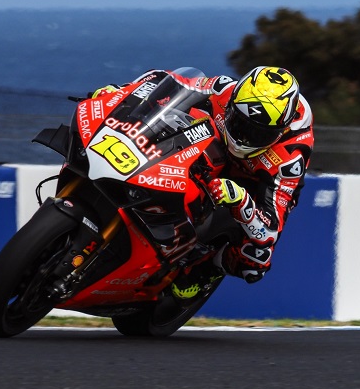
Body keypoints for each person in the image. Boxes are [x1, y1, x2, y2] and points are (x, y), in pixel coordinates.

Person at [91, 66, 314, 297]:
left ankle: (208, 269)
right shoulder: (225, 90)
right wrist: (122, 91)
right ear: (233, 103)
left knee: (255, 262)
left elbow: (269, 229)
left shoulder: (290, 158)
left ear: (281, 131)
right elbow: (168, 81)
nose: (243, 138)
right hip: (212, 153)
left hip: (250, 182)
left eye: (258, 134)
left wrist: (241, 200)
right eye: (239, 123)